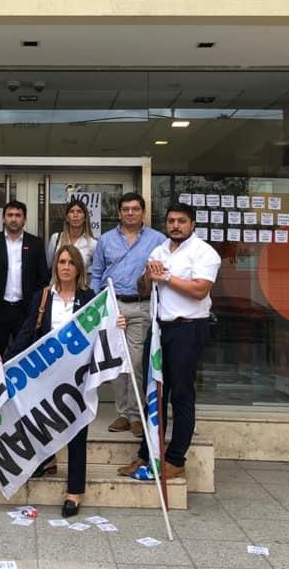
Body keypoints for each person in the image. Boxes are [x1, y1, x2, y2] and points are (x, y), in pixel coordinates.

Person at [7, 245, 126, 518]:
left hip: (77, 377)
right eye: (61, 262)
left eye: (71, 263)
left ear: (79, 268)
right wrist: (6, 361)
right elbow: (27, 332)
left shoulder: (89, 298)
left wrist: (116, 324)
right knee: (40, 420)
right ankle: (47, 460)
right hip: (46, 375)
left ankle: (74, 491)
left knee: (77, 430)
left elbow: (102, 329)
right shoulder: (43, 297)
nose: (66, 267)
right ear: (55, 267)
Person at [118, 202, 221, 480]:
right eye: (171, 221)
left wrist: (165, 276)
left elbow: (200, 290)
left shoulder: (204, 252)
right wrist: (148, 275)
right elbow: (143, 288)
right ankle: (147, 454)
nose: (175, 226)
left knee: (181, 395)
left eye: (181, 221)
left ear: (192, 225)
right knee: (154, 393)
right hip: (158, 329)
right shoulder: (159, 250)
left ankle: (175, 459)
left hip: (187, 328)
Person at [90, 192, 165, 437]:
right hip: (112, 306)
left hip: (141, 306)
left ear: (143, 212)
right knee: (116, 361)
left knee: (135, 361)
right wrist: (97, 305)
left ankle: (136, 414)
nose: (130, 213)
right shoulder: (106, 240)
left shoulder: (158, 240)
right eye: (125, 209)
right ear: (119, 213)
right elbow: (96, 273)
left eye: (135, 209)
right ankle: (123, 413)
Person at [0, 200, 49, 355]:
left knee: (24, 357)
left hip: (25, 312)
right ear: (3, 218)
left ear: (24, 219)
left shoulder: (35, 244)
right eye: (10, 215)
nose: (14, 219)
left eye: (18, 215)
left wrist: (35, 308)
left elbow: (43, 279)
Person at [45, 198, 96, 276]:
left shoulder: (92, 243)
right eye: (72, 211)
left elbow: (97, 271)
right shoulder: (56, 238)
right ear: (67, 218)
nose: (75, 215)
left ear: (85, 218)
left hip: (81, 283)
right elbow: (48, 265)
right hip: (57, 283)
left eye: (79, 212)